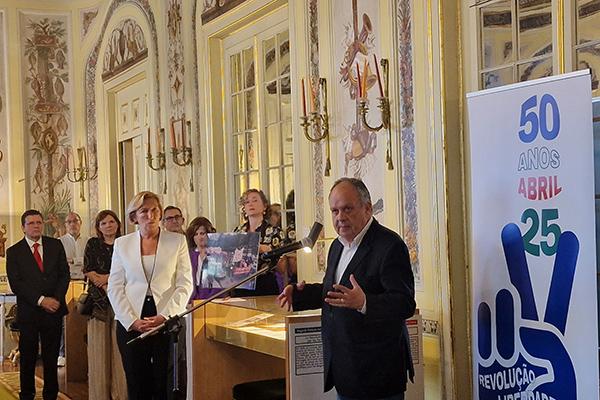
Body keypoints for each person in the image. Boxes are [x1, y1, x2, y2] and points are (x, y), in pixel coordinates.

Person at [278, 178, 416, 400]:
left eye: (347, 209)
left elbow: (405, 303)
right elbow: (334, 291)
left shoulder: (389, 245)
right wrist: (299, 294)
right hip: (345, 370)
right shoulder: (337, 246)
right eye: (334, 211)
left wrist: (364, 303)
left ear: (367, 208)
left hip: (378, 374)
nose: (340, 217)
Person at [108, 191, 193, 400]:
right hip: (132, 319)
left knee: (164, 381)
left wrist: (165, 316)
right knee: (137, 382)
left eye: (154, 210)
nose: (150, 215)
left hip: (166, 319)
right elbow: (115, 286)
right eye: (144, 211)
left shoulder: (177, 241)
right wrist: (131, 321)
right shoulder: (122, 244)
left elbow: (185, 284)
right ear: (134, 216)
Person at [6, 209, 70, 400]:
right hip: (30, 312)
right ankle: (27, 394)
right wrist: (42, 301)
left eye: (39, 222)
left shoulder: (55, 245)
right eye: (31, 223)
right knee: (28, 356)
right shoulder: (14, 251)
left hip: (54, 310)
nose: (36, 226)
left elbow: (64, 275)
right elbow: (16, 283)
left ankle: (51, 394)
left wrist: (56, 300)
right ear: (23, 227)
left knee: (51, 357)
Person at [83, 210, 127, 400]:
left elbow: (129, 269)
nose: (108, 225)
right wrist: (102, 283)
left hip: (122, 302)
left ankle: (120, 394)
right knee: (98, 352)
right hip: (98, 303)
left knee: (119, 352)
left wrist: (109, 279)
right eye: (104, 223)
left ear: (118, 224)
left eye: (111, 222)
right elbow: (88, 269)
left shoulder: (126, 243)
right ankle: (99, 395)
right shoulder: (93, 244)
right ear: (99, 227)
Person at [233, 189, 286, 296]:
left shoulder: (275, 232)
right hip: (241, 283)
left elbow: (282, 267)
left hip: (264, 283)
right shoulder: (238, 231)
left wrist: (265, 249)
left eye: (255, 200)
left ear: (264, 206)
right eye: (247, 202)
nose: (250, 204)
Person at [57, 211, 89, 367]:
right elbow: (62, 262)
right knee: (66, 318)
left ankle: (84, 352)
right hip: (67, 283)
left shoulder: (89, 241)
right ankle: (63, 352)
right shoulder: (59, 242)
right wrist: (78, 262)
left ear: (80, 223)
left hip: (86, 282)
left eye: (75, 221)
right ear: (65, 225)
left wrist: (75, 260)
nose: (72, 224)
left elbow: (88, 262)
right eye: (69, 222)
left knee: (85, 317)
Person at [186, 216, 219, 300]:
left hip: (215, 298)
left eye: (202, 233)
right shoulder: (188, 255)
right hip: (193, 299)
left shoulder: (217, 254)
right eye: (196, 234)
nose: (200, 237)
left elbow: (220, 283)